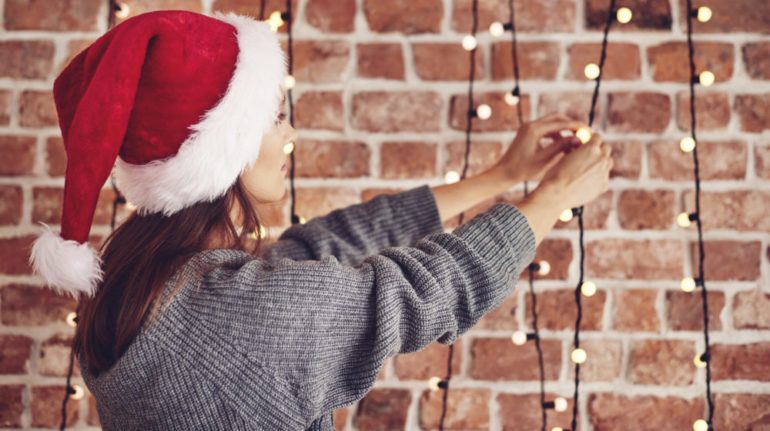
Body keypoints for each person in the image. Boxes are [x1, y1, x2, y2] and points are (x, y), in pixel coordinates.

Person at [27, 9, 612, 431]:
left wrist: (499, 177)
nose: (289, 135)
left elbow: (321, 246)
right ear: (222, 147)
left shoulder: (148, 278)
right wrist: (554, 197)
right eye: (273, 117)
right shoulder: (239, 315)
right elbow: (422, 291)